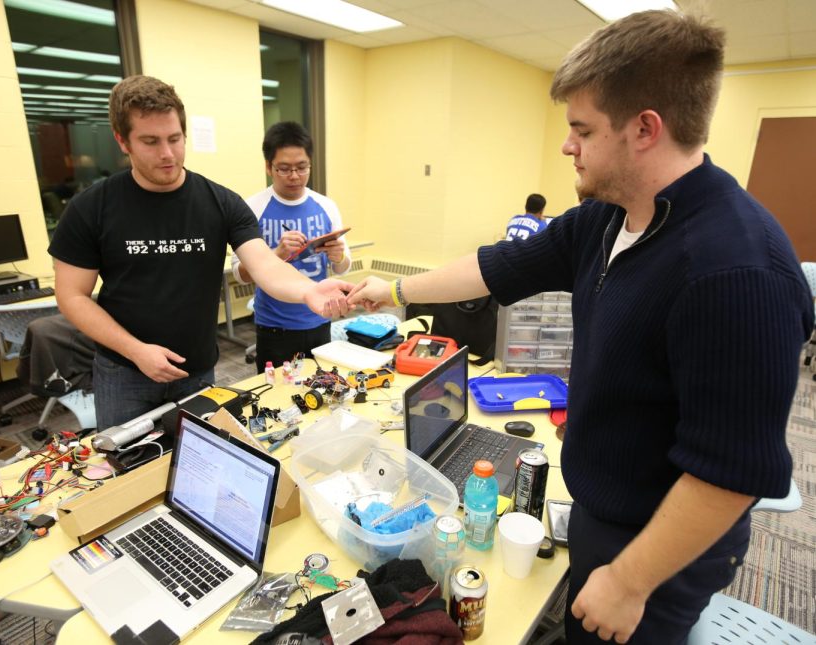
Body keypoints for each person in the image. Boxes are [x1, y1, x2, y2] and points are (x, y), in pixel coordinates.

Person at [348, 10, 813, 644]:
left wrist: (628, 582)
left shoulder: (736, 271)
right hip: (600, 503)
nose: (567, 145)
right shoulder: (606, 216)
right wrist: (393, 290)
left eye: (581, 129)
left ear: (645, 128)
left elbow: (729, 474)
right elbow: (497, 266)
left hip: (662, 548)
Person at [48, 76, 351, 430]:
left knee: (199, 467)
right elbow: (70, 295)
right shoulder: (91, 208)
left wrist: (308, 290)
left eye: (175, 139)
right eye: (150, 141)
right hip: (124, 372)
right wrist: (135, 350)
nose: (167, 153)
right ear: (122, 140)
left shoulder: (220, 202)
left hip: (197, 370)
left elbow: (265, 264)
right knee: (128, 472)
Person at [231, 121, 351, 373]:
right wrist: (276, 255)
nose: (294, 176)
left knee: (321, 389)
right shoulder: (252, 208)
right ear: (268, 167)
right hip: (274, 327)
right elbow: (240, 275)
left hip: (319, 319)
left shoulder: (326, 205)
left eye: (301, 167)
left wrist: (338, 256)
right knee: (274, 399)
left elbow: (341, 269)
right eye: (284, 169)